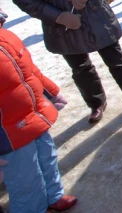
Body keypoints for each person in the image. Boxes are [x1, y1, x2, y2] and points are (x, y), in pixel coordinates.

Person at [0, 27, 78, 213]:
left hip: (33, 116)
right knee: (25, 179)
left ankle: (54, 196)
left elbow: (30, 71)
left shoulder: (6, 35)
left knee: (47, 158)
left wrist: (51, 92)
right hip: (9, 133)